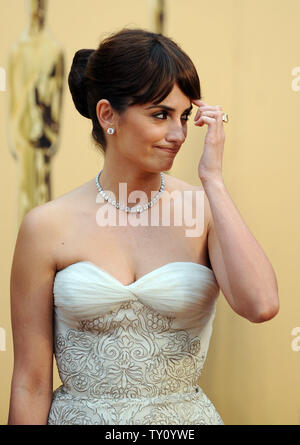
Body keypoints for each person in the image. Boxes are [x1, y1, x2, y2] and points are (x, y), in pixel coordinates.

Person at [8, 28, 279, 425]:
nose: (179, 134)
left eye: (184, 116)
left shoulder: (202, 210)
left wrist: (214, 181)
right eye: (160, 115)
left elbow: (261, 305)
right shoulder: (46, 226)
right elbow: (30, 383)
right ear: (107, 115)